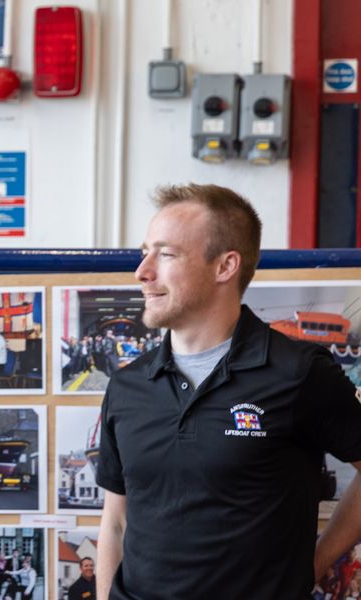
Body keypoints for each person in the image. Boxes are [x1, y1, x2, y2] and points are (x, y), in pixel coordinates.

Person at [96, 184, 361, 599]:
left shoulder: (299, 373)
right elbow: (115, 520)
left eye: (166, 254)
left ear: (225, 266)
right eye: (145, 252)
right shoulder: (128, 385)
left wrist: (314, 564)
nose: (142, 271)